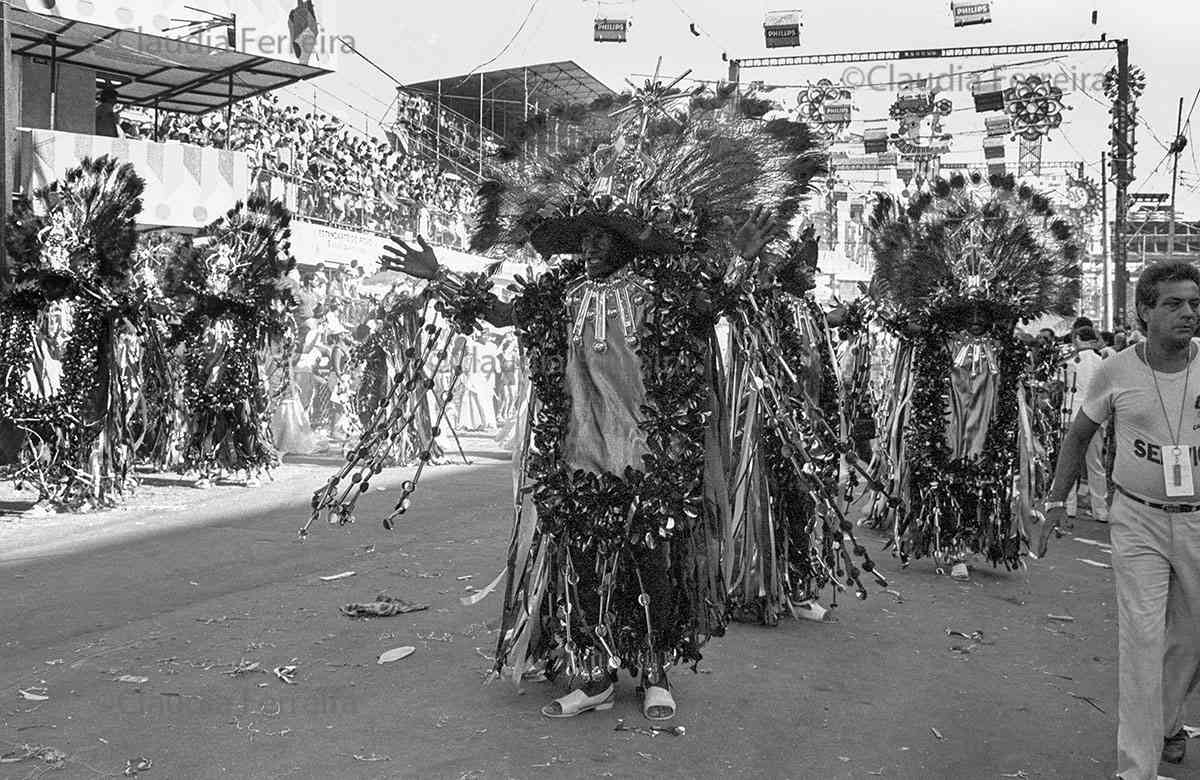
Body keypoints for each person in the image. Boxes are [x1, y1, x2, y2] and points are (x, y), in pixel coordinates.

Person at [1039, 260, 1200, 780]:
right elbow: (1078, 436)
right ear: (1144, 311)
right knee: (1142, 642)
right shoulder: (1114, 371)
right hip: (1138, 523)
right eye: (1174, 304)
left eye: (1194, 304)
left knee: (1193, 639)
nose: (1188, 313)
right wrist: (1056, 502)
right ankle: (1137, 769)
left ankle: (1169, 717)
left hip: (1199, 522)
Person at [1062, 325, 1108, 523]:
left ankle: (1070, 506)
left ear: (1078, 339)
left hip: (1072, 415)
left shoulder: (1069, 362)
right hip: (1095, 417)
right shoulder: (1103, 362)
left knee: (1070, 462)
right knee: (1096, 465)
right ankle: (1101, 509)